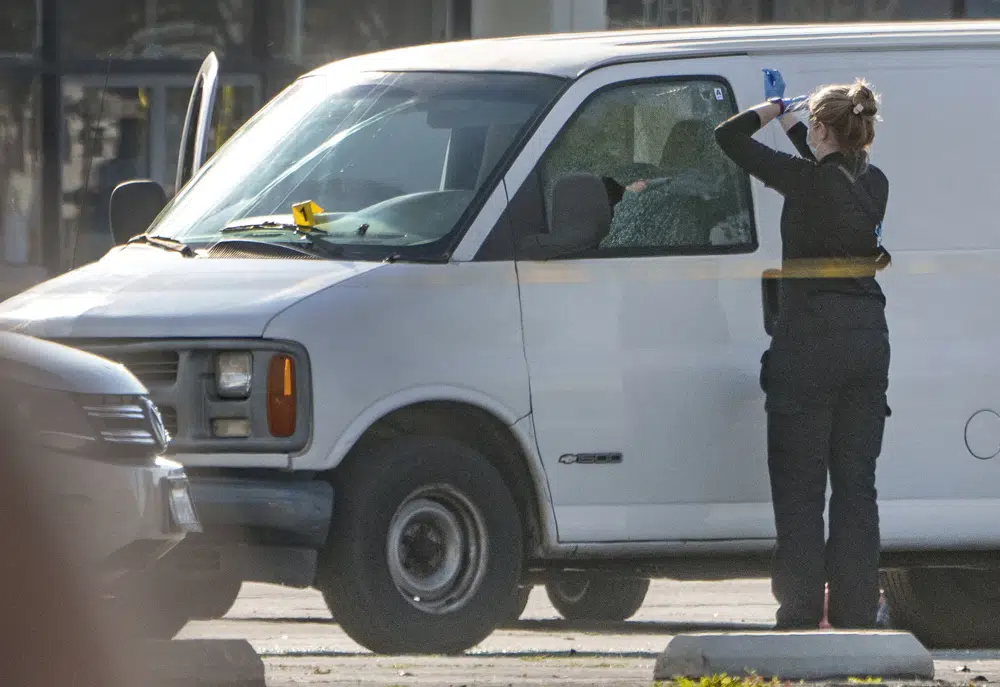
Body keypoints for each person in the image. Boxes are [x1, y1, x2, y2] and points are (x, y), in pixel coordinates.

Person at [714, 69, 891, 630]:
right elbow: (830, 175)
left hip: (809, 348)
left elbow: (728, 138)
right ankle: (857, 614)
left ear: (823, 129)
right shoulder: (875, 183)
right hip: (867, 343)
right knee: (856, 487)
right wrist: (799, 123)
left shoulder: (807, 182)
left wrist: (770, 108)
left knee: (800, 488)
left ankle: (799, 614)